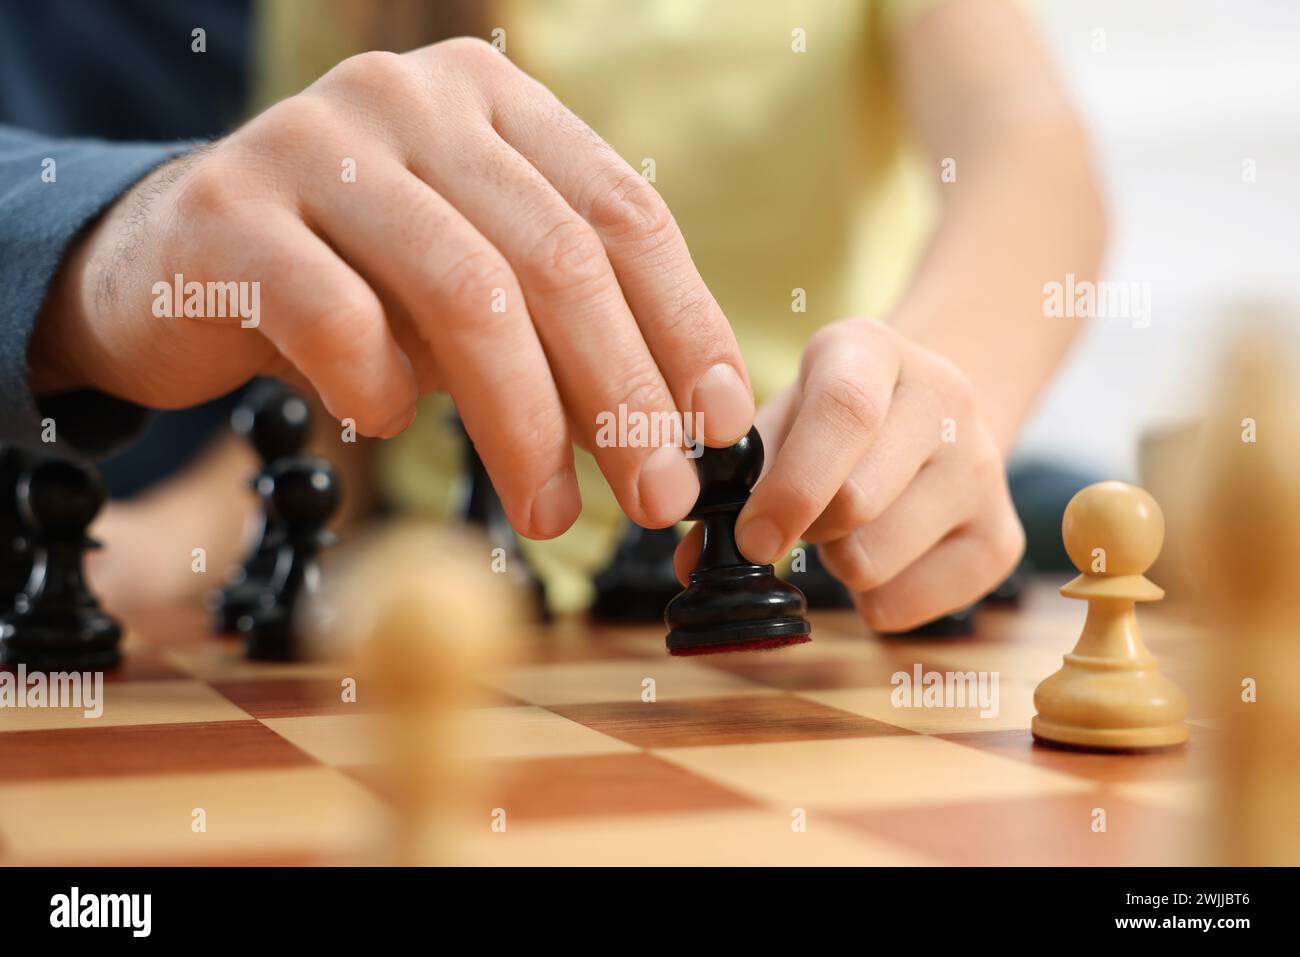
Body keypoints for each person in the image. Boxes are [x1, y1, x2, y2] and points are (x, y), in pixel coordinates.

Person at [0, 0, 1104, 627]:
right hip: (455, 595)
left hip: (833, 543)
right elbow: (336, 376)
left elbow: (1030, 146)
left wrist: (939, 376)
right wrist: (143, 549)